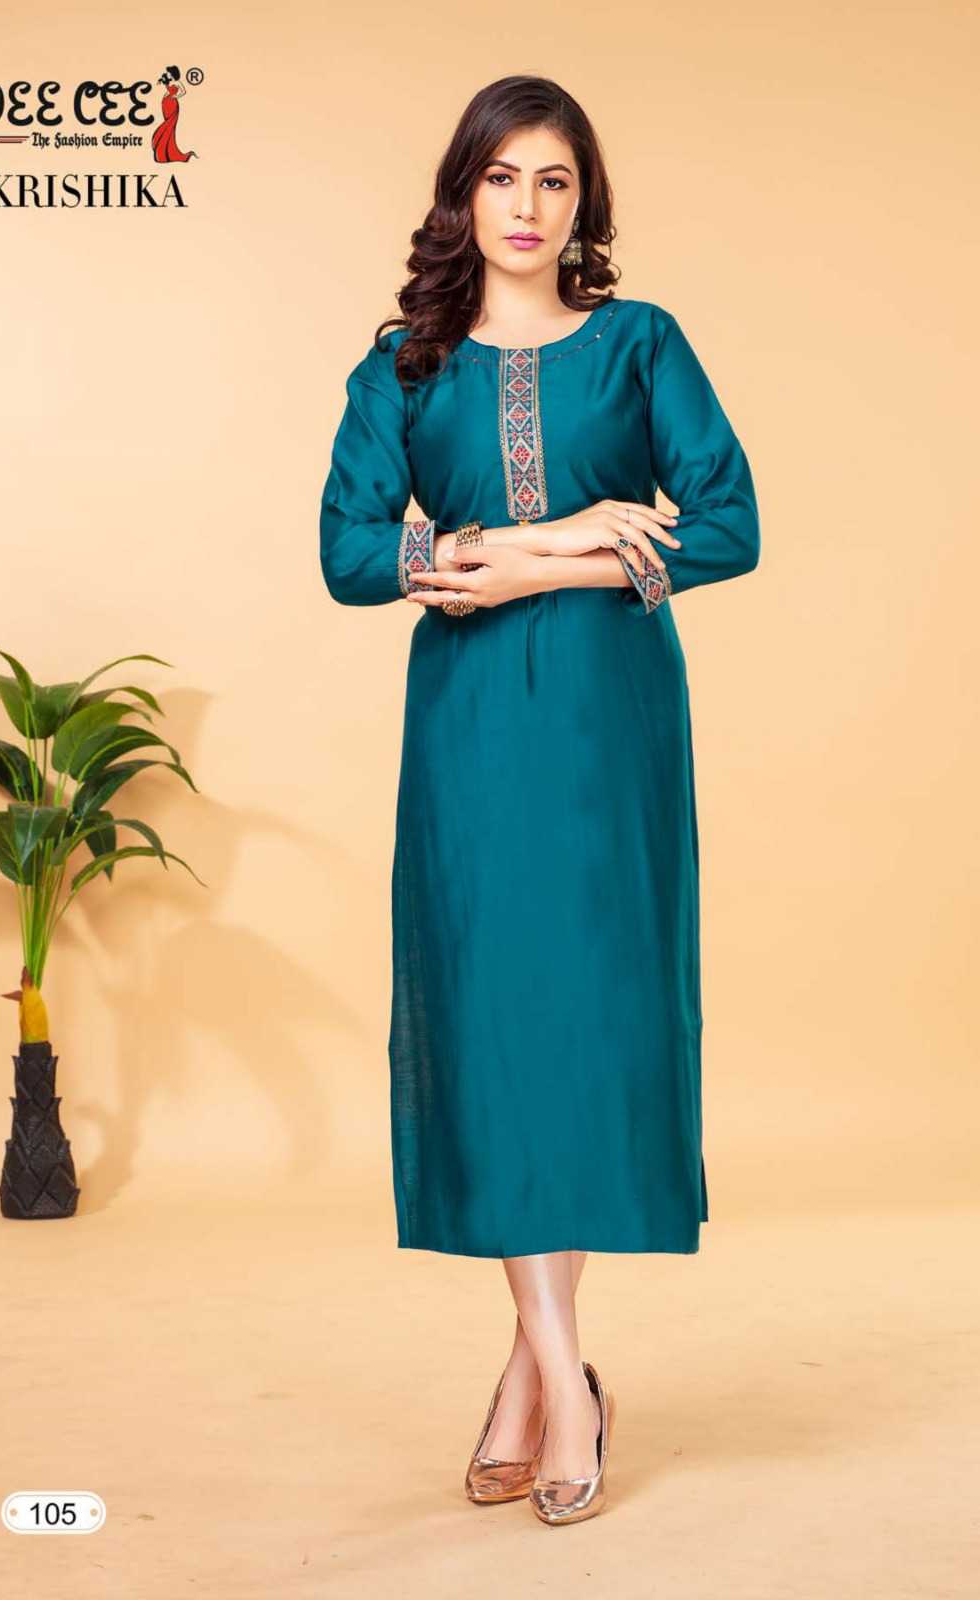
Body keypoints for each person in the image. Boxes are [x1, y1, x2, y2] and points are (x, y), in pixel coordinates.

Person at [319, 73, 760, 1526]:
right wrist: (561, 532)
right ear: (463, 193)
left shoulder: (640, 345)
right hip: (469, 738)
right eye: (501, 177)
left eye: (553, 180)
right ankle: (568, 1381)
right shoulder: (405, 364)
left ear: (584, 203)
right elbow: (348, 553)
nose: (526, 206)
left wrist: (526, 558)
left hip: (608, 725)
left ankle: (533, 1379)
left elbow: (732, 522)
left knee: (582, 1030)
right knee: (495, 1023)